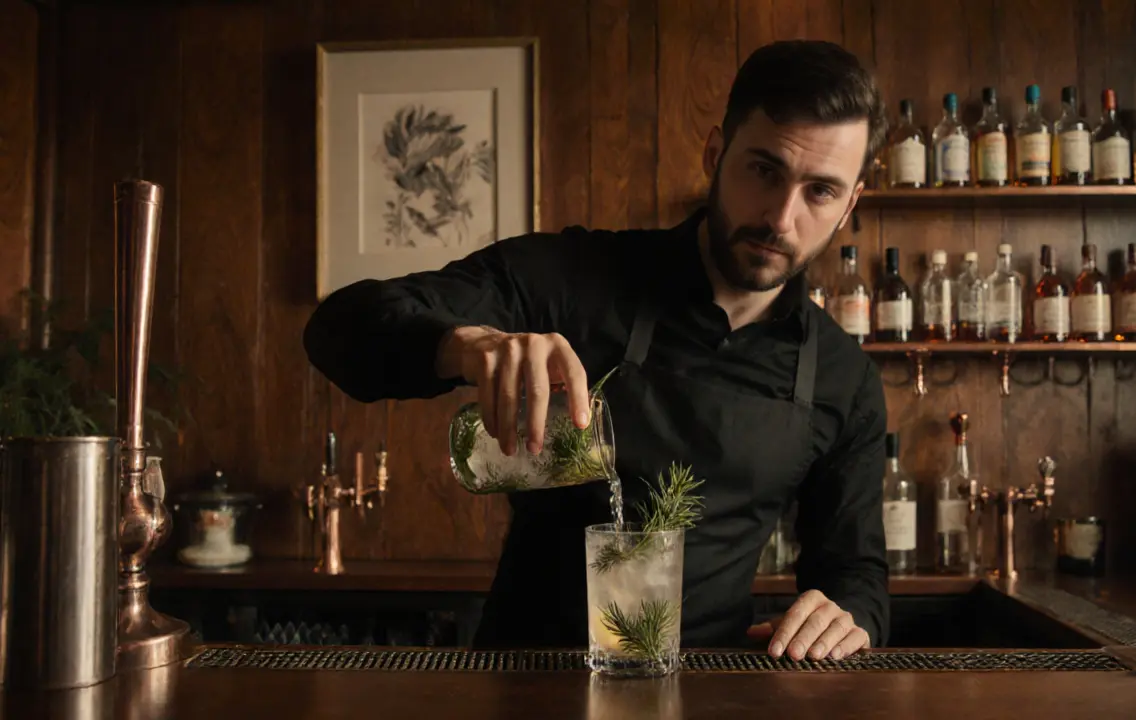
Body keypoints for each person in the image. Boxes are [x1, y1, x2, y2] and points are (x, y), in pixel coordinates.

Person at [303, 39, 890, 661]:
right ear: (715, 154)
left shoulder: (842, 380)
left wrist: (847, 616)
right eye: (764, 170)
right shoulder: (571, 277)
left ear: (850, 203)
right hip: (524, 682)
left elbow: (855, 572)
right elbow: (340, 327)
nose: (780, 217)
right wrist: (465, 343)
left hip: (716, 691)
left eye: (820, 191)